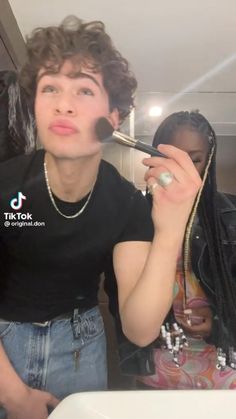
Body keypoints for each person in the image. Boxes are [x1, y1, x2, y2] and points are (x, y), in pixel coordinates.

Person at [0, 16, 201, 419]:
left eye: (84, 90)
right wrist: (14, 396)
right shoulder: (6, 184)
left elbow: (139, 328)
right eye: (50, 87)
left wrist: (171, 224)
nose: (63, 103)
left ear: (112, 119)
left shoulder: (126, 202)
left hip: (81, 345)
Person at [134, 111, 236, 389]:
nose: (183, 169)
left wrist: (219, 326)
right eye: (172, 158)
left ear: (209, 159)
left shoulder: (231, 216)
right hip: (156, 367)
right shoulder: (135, 215)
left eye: (195, 159)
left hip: (223, 368)